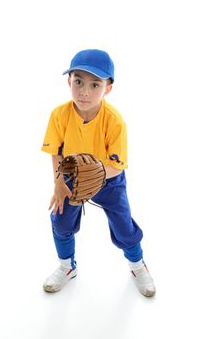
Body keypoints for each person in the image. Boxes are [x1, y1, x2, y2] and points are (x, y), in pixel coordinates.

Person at [41, 49, 156, 297]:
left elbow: (118, 164)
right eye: (79, 81)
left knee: (124, 227)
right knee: (60, 220)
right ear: (68, 81)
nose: (85, 91)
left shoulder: (113, 120)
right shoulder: (59, 114)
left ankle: (138, 266)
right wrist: (59, 182)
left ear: (108, 88)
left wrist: (96, 174)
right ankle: (66, 267)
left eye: (95, 85)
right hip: (70, 177)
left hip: (109, 180)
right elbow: (56, 151)